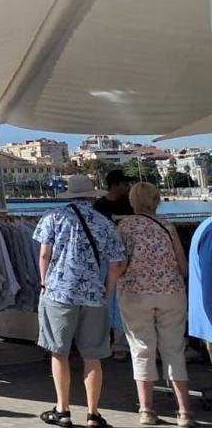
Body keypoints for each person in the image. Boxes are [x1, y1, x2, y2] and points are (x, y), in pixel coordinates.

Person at [36, 174, 126, 428]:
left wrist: (44, 282)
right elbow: (114, 265)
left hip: (59, 292)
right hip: (93, 296)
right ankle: (93, 414)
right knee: (93, 356)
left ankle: (62, 410)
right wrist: (107, 293)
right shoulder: (104, 223)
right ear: (90, 196)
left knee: (59, 352)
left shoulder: (53, 216)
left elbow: (45, 254)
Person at [115, 182, 193, 426]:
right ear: (156, 200)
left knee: (141, 350)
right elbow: (182, 264)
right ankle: (184, 412)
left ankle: (147, 411)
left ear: (132, 201)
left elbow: (121, 264)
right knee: (174, 349)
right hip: (171, 293)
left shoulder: (124, 226)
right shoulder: (168, 226)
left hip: (136, 294)